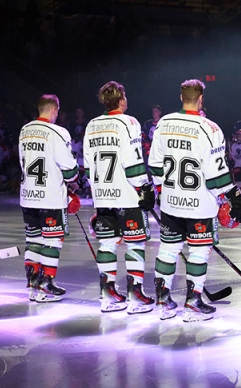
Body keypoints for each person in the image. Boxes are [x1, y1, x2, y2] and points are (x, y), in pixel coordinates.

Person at [149, 79, 241, 322]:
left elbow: (154, 165)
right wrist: (234, 197)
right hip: (199, 205)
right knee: (199, 252)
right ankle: (193, 303)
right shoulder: (209, 128)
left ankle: (162, 301)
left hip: (171, 203)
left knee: (168, 249)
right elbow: (216, 176)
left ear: (181, 96)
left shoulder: (164, 123)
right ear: (201, 99)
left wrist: (163, 190)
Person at [84, 81, 155, 314]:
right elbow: (132, 160)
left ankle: (108, 294)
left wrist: (97, 194)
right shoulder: (129, 122)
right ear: (121, 100)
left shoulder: (92, 125)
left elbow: (87, 166)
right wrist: (144, 187)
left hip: (103, 196)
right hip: (126, 195)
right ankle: (135, 295)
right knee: (135, 243)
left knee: (107, 243)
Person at [19, 94, 79, 302]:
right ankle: (47, 283)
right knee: (52, 241)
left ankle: (32, 285)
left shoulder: (24, 130)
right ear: (54, 110)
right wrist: (73, 183)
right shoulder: (58, 132)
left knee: (33, 240)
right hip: (51, 197)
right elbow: (70, 170)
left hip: (28, 196)